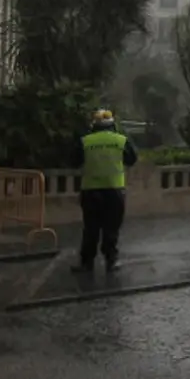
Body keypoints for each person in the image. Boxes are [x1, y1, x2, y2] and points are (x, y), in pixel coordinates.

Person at [70, 109, 138, 273]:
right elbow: (132, 159)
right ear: (112, 124)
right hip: (114, 190)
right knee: (111, 228)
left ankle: (86, 262)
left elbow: (74, 161)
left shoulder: (85, 141)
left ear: (94, 125)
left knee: (90, 228)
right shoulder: (121, 140)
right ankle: (111, 261)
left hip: (91, 191)